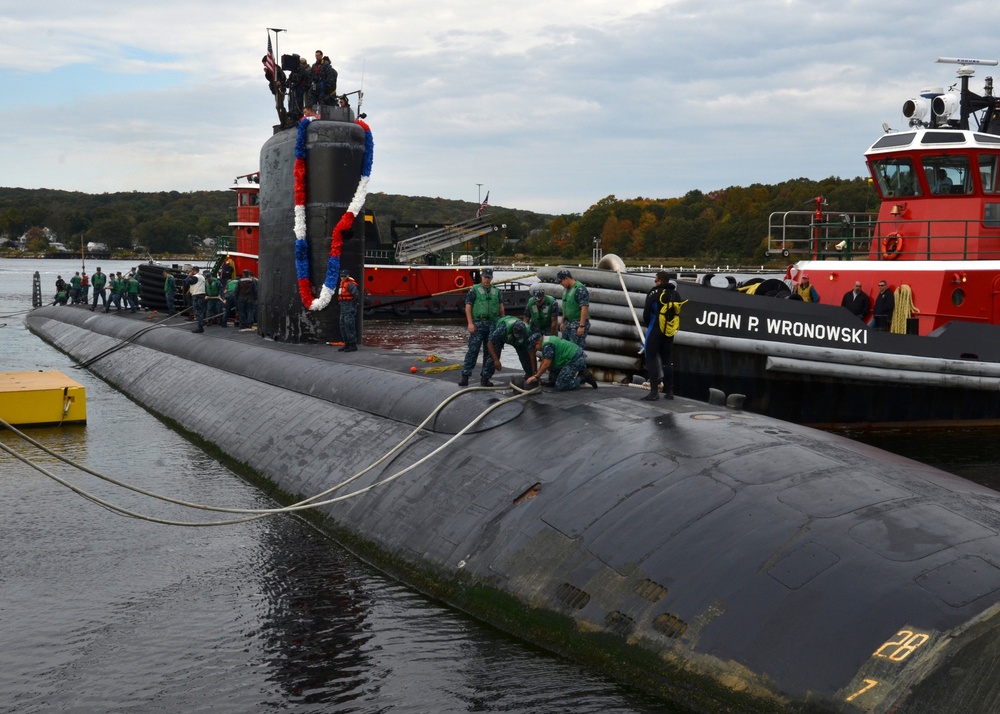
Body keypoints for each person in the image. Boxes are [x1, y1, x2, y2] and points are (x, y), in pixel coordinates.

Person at [641, 272, 684, 401]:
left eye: (656, 280)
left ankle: (654, 392)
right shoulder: (676, 294)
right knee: (667, 359)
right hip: (669, 330)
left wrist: (650, 326)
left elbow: (646, 313)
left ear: (659, 281)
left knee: (650, 357)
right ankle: (670, 391)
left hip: (655, 327)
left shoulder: (654, 293)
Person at [459, 267, 505, 387]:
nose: (486, 280)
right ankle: (465, 375)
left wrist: (502, 322)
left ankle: (485, 377)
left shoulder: (496, 291)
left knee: (489, 352)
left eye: (489, 278)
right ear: (481, 277)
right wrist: (470, 323)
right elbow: (468, 306)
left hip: (492, 324)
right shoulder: (474, 290)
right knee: (473, 350)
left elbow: (501, 308)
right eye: (485, 277)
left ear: (492, 278)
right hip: (478, 323)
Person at [525, 333, 598, 391]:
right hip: (572, 356)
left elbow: (546, 364)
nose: (535, 350)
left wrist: (536, 376)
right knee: (552, 380)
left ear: (538, 342)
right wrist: (537, 376)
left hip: (574, 360)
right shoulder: (546, 340)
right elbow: (544, 360)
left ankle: (583, 377)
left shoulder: (547, 346)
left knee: (560, 385)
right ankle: (556, 379)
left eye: (534, 347)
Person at [486, 316, 533, 381]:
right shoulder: (502, 330)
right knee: (493, 355)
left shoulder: (528, 332)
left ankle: (530, 375)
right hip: (502, 336)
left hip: (519, 340)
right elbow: (490, 343)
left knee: (525, 355)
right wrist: (496, 360)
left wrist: (535, 373)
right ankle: (485, 378)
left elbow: (531, 352)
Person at [557, 269, 591, 348]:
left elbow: (584, 307)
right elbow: (565, 306)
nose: (560, 284)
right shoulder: (566, 289)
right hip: (568, 323)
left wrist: (581, 326)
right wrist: (562, 322)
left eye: (561, 281)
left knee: (575, 349)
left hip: (577, 323)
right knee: (564, 346)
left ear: (566, 278)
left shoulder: (580, 289)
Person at [337, 269, 360, 351]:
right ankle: (346, 343)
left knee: (349, 325)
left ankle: (352, 344)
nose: (342, 277)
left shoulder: (350, 285)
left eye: (344, 276)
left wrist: (353, 305)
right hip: (343, 307)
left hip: (349, 306)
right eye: (341, 276)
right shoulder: (342, 284)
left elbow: (356, 295)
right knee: (342, 325)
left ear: (347, 276)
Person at [185, 267, 206, 333]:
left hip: (197, 295)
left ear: (193, 271)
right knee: (201, 311)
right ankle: (202, 324)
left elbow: (187, 282)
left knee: (197, 312)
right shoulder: (202, 277)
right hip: (202, 295)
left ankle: (200, 327)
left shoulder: (195, 277)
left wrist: (189, 276)